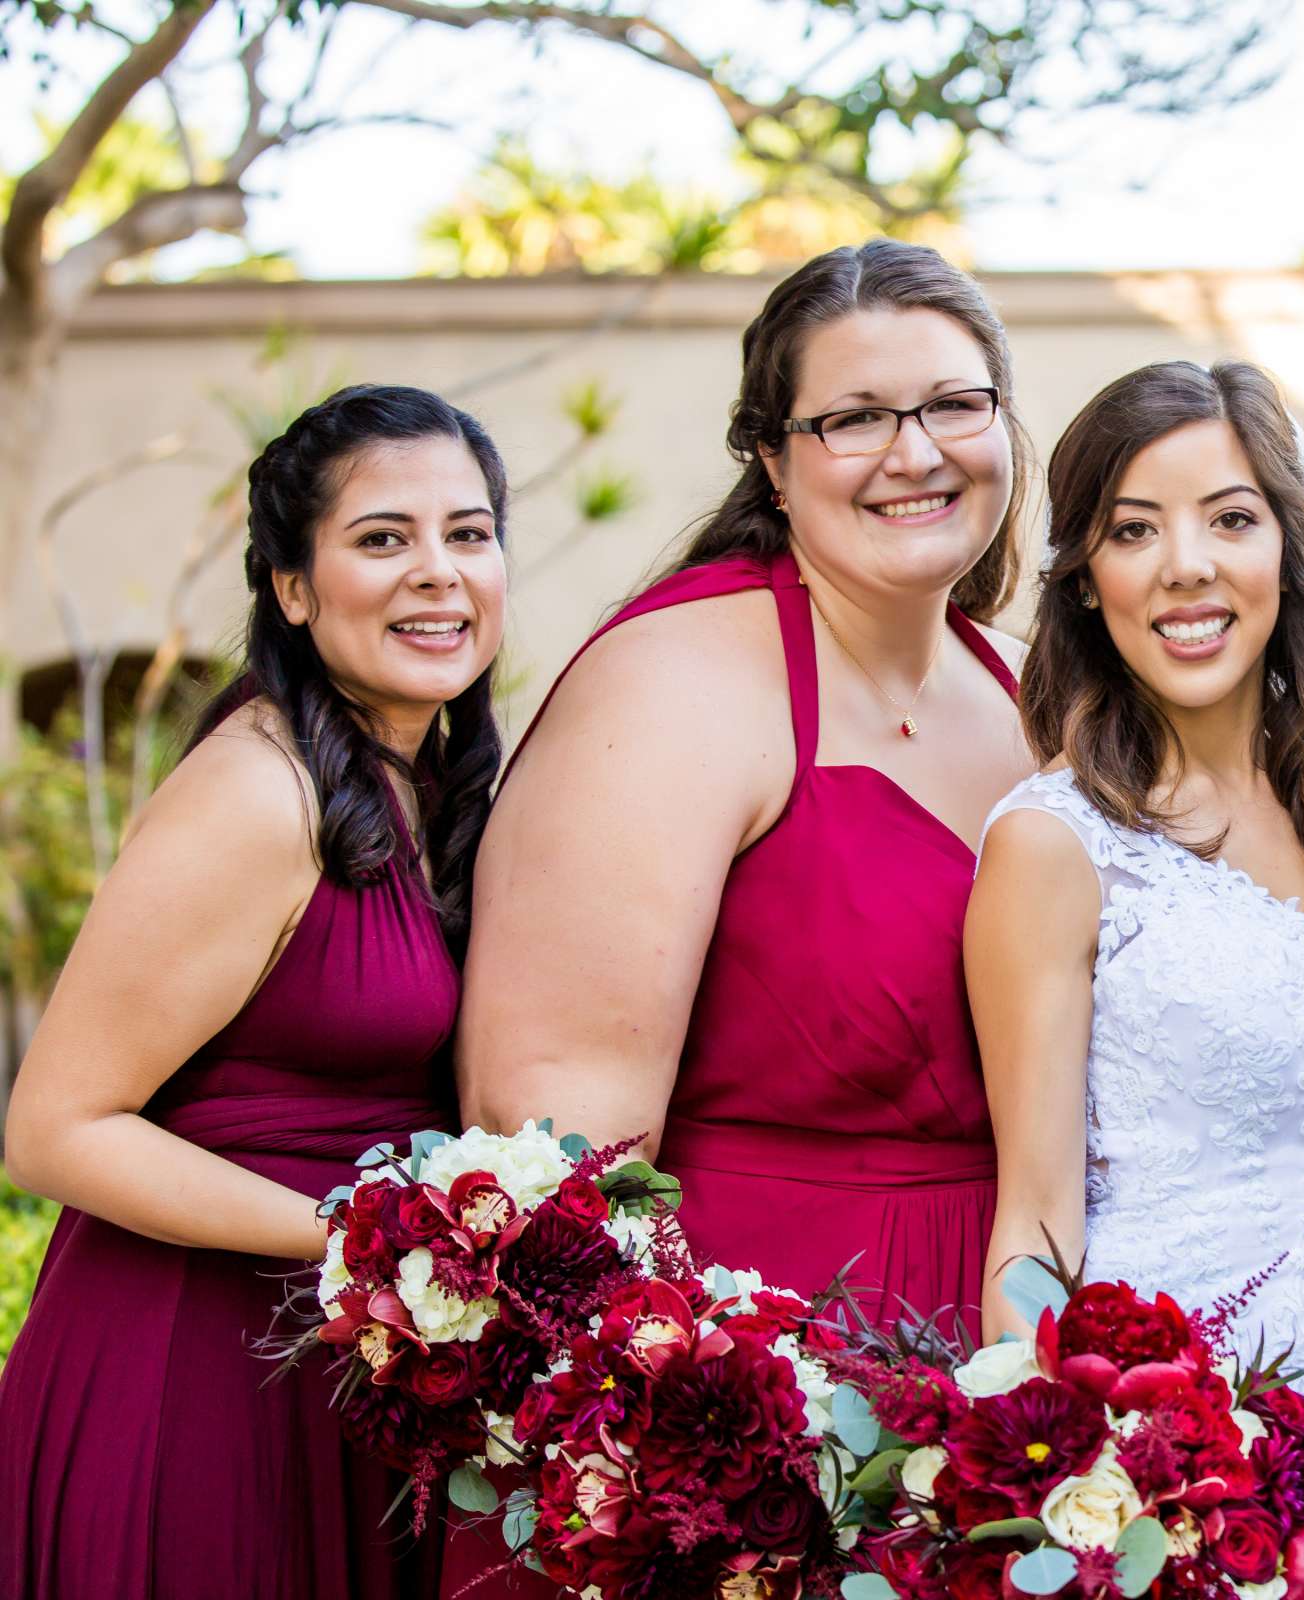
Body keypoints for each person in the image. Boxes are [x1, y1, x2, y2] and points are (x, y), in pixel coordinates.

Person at [456, 239, 1034, 1335]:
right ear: (774, 459)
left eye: (954, 405)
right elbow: (555, 1139)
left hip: (1007, 1385)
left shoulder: (1032, 695)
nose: (915, 453)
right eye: (855, 418)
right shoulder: (674, 681)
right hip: (745, 1382)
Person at [0, 384, 506, 1598]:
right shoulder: (255, 792)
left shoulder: (417, 786)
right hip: (193, 1376)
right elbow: (55, 1128)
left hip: (334, 1368)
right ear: (291, 586)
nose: (438, 573)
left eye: (470, 533)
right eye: (383, 539)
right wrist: (374, 1242)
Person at [970, 360, 1304, 1462]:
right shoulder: (1055, 846)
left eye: (1231, 519)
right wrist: (1105, 1480)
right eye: (1133, 532)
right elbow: (1035, 1222)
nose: (1187, 568)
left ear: (1288, 547)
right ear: (1085, 578)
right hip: (1172, 1438)